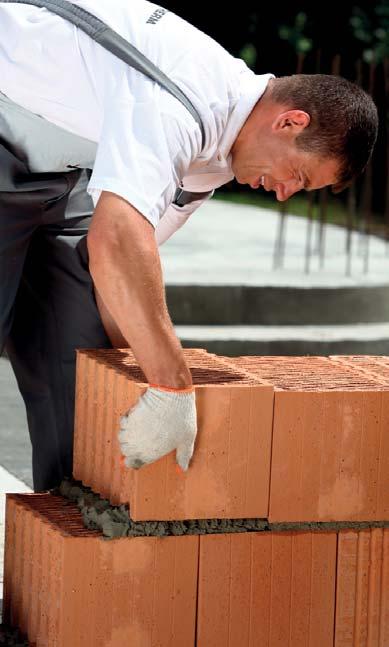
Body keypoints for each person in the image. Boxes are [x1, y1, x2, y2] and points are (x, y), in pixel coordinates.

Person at [0, 0, 378, 490]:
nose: (285, 193)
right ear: (290, 123)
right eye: (298, 176)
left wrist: (136, 376)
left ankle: (74, 530)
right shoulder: (186, 98)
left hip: (56, 175)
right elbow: (116, 236)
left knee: (82, 356)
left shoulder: (215, 157)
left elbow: (119, 266)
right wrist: (170, 384)